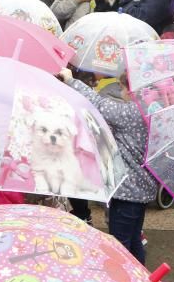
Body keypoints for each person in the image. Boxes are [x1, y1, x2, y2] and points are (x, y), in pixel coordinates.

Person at [58, 68, 150, 261]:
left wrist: (71, 80)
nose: (121, 91)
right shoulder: (153, 110)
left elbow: (98, 104)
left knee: (119, 245)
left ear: (132, 90)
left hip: (126, 192)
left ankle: (124, 281)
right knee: (134, 239)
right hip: (142, 190)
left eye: (123, 87)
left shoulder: (131, 112)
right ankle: (143, 277)